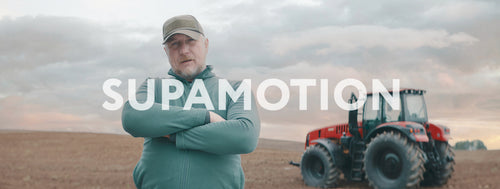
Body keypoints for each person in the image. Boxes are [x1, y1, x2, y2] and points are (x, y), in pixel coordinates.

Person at [121, 15, 261, 189]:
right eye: (175, 44)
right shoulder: (154, 86)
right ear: (166, 51)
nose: (184, 50)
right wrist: (206, 117)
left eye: (191, 41)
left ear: (206, 44)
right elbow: (132, 117)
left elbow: (244, 136)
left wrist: (172, 134)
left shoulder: (235, 89)